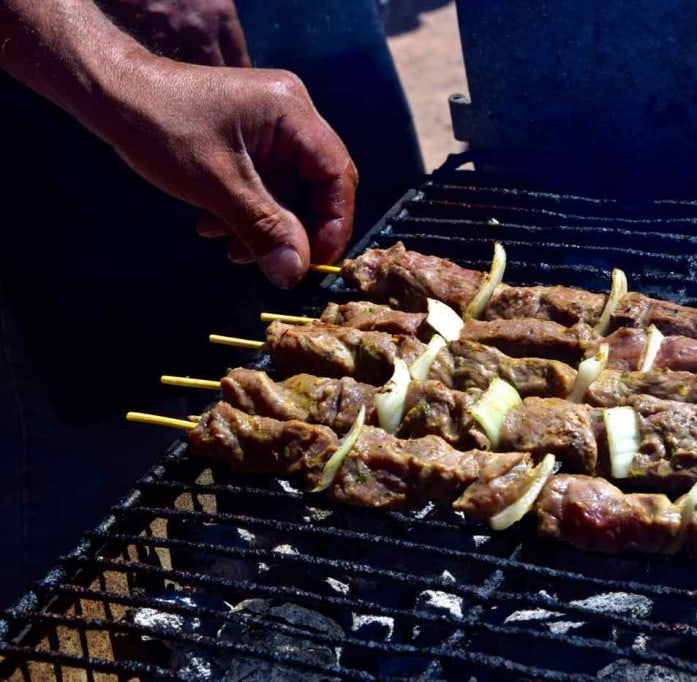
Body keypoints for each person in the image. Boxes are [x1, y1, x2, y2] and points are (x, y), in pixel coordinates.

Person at [0, 0, 423, 607]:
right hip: (60, 63)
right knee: (107, 514)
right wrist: (116, 63)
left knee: (363, 277)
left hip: (315, 28)